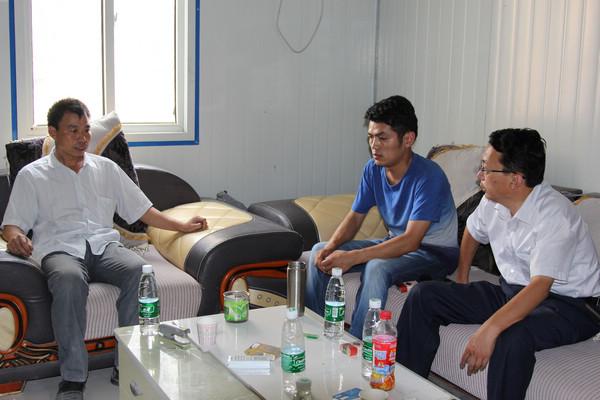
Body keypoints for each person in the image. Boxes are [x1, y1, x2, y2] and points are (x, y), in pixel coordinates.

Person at [1, 98, 208, 400]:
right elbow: (12, 225)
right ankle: (73, 378)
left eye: (86, 129)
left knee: (139, 271)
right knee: (69, 279)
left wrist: (182, 226)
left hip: (104, 246)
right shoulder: (33, 175)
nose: (82, 137)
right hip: (60, 250)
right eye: (73, 130)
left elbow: (142, 210)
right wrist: (17, 237)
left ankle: (126, 364)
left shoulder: (106, 169)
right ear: (53, 132)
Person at [395, 128, 600, 400]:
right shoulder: (492, 201)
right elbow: (472, 232)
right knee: (425, 295)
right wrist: (462, 278)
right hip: (513, 291)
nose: (479, 176)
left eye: (485, 168)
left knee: (511, 336)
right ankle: (405, 391)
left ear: (515, 179)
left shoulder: (555, 216)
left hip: (570, 306)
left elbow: (540, 287)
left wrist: (490, 328)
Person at [305, 95, 459, 338]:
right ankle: (315, 334)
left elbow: (411, 241)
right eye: (370, 137)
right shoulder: (373, 169)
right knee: (318, 250)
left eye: (382, 138)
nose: (374, 145)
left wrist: (352, 257)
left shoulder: (429, 176)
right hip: (396, 242)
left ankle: (358, 344)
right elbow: (355, 217)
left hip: (434, 253)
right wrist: (332, 247)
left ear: (408, 139)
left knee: (376, 267)